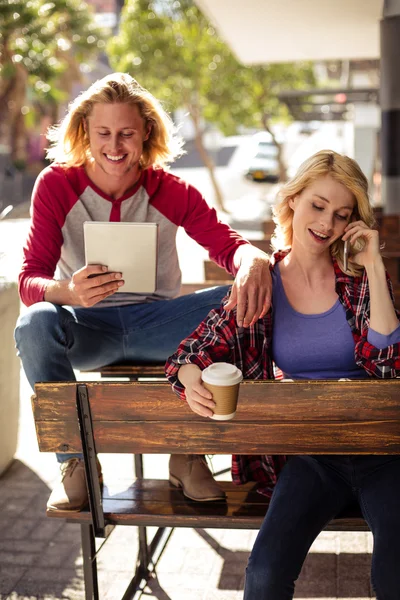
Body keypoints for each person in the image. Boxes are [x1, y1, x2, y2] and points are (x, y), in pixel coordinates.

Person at [14, 72, 273, 512]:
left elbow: (229, 246)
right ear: (85, 133)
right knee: (34, 321)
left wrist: (252, 259)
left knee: (239, 298)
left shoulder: (170, 190)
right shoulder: (57, 184)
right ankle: (75, 463)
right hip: (87, 327)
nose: (115, 146)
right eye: (104, 133)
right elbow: (29, 280)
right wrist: (67, 291)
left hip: (159, 327)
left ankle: (189, 455)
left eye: (126, 134)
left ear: (146, 132)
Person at [165, 149, 400, 599]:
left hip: (384, 451)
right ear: (293, 199)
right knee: (264, 575)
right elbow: (190, 353)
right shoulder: (262, 284)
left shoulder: (358, 277)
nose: (327, 224)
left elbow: (389, 368)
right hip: (311, 458)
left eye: (341, 214)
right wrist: (190, 377)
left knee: (395, 578)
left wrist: (373, 265)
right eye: (318, 205)